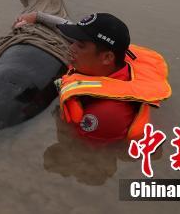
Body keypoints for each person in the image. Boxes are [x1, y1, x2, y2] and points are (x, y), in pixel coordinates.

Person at [14, 11, 170, 143]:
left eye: (80, 45)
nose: (71, 46)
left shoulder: (104, 114)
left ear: (107, 58)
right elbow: (65, 25)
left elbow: (82, 152)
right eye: (74, 41)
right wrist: (37, 17)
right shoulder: (104, 59)